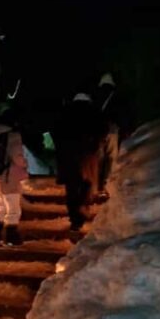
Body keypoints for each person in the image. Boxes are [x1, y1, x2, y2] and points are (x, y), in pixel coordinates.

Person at [50, 93, 105, 230]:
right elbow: (103, 130)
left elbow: (55, 131)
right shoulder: (94, 112)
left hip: (68, 156)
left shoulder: (65, 113)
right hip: (87, 154)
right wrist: (95, 144)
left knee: (71, 187)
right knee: (86, 183)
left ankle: (75, 217)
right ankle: (83, 207)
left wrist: (61, 147)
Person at [0, 109, 29, 246]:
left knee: (1, 205)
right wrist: (24, 164)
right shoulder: (12, 136)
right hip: (10, 177)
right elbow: (17, 156)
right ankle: (11, 236)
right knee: (14, 209)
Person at [94, 72, 129, 196]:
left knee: (99, 158)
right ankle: (106, 184)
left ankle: (96, 185)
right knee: (111, 158)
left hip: (98, 131)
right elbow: (122, 114)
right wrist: (124, 129)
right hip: (112, 130)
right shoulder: (116, 96)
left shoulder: (96, 96)